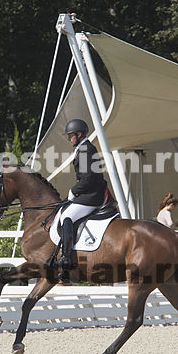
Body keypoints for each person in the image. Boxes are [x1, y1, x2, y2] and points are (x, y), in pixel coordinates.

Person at [56, 118, 108, 280]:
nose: (69, 138)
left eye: (70, 135)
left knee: (66, 216)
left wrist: (74, 191)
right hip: (88, 193)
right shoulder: (83, 148)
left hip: (91, 195)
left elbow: (88, 179)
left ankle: (66, 258)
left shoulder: (86, 149)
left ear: (79, 134)